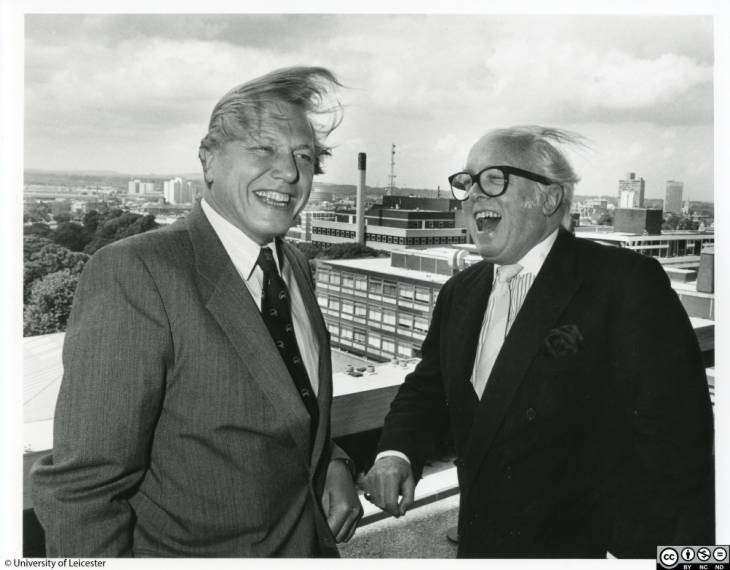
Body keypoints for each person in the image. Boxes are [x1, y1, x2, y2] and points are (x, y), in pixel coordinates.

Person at [31, 66, 362, 557]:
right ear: (209, 158)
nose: (290, 173)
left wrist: (330, 460)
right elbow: (84, 489)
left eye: (304, 157)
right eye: (263, 148)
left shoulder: (292, 264)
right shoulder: (136, 273)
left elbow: (287, 400)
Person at [361, 126, 714, 558]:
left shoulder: (624, 283)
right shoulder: (460, 292)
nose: (473, 195)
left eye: (494, 179)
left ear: (549, 198)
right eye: (466, 183)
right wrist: (395, 452)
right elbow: (428, 387)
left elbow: (677, 444)